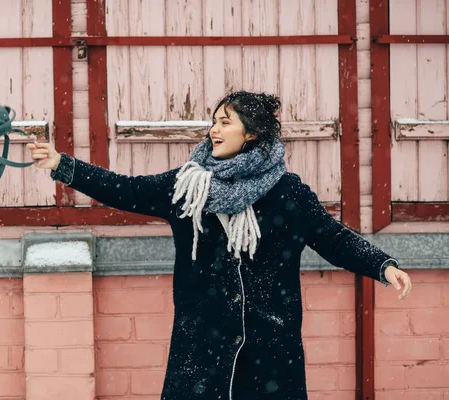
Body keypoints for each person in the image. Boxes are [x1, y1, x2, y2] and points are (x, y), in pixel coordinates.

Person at [27, 91, 412, 400]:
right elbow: (128, 190)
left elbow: (333, 238)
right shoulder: (188, 186)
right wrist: (63, 165)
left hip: (269, 351)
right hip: (201, 348)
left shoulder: (288, 193)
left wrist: (382, 265)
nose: (213, 129)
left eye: (225, 122)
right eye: (213, 121)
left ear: (252, 134)